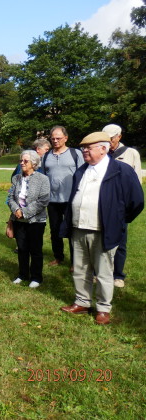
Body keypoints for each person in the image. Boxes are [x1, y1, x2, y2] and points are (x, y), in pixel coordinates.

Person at [60, 132, 144, 325]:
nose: (84, 151)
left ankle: (103, 308)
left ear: (104, 149)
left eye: (88, 148)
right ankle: (82, 302)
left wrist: (118, 219)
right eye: (83, 148)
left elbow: (137, 201)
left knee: (104, 271)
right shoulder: (82, 170)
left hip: (103, 230)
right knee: (80, 269)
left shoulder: (121, 170)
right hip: (79, 227)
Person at [102, 124, 143, 288]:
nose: (109, 141)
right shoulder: (102, 152)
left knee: (120, 240)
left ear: (119, 136)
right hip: (103, 202)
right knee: (101, 239)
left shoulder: (131, 153)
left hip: (121, 204)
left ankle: (118, 275)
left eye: (111, 138)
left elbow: (136, 181)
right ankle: (100, 271)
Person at [42, 126, 84, 269]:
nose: (55, 141)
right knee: (54, 231)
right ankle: (58, 257)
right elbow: (44, 177)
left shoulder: (76, 153)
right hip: (52, 200)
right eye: (53, 138)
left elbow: (83, 175)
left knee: (73, 231)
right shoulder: (46, 156)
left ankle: (74, 261)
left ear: (66, 138)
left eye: (58, 138)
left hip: (71, 200)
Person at [8, 150, 50, 288]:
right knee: (22, 248)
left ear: (34, 163)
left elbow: (43, 201)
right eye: (21, 160)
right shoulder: (16, 178)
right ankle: (23, 274)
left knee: (35, 249)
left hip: (36, 221)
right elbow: (10, 198)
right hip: (18, 220)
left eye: (25, 161)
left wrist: (24, 212)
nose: (22, 163)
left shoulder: (43, 179)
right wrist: (16, 210)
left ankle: (36, 277)